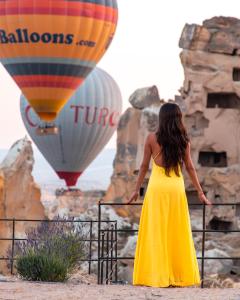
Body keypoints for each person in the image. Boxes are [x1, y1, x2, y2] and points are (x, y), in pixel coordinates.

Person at [128, 102, 212, 288]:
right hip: (176, 188)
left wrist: (136, 190)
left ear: (161, 118)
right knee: (176, 232)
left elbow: (143, 166)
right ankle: (176, 276)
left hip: (157, 189)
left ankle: (156, 276)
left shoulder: (151, 139)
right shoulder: (183, 140)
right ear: (178, 118)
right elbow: (190, 167)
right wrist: (200, 192)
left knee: (156, 232)